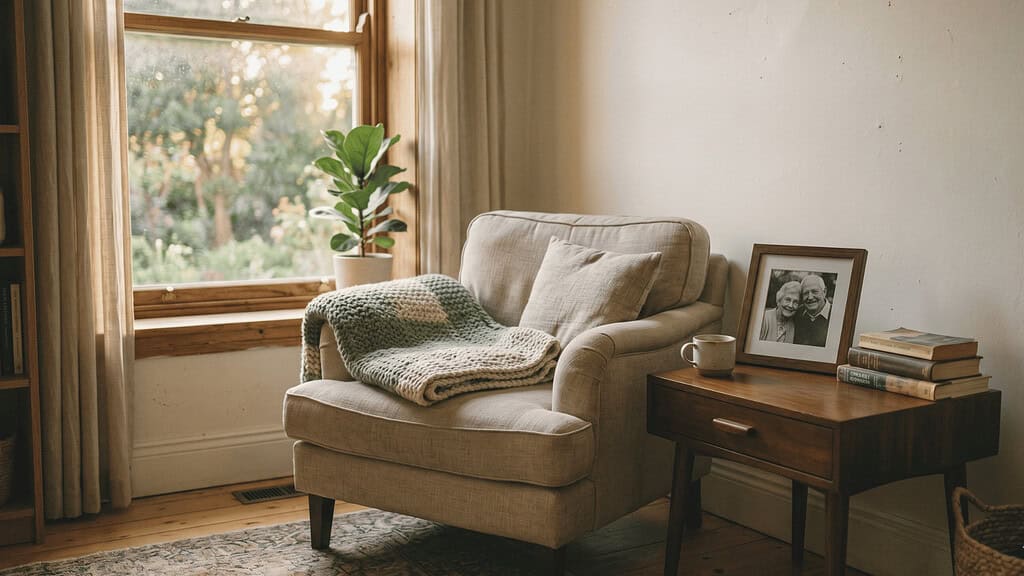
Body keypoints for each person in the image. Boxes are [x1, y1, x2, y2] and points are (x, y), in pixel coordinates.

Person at [793, 275, 831, 347]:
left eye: (814, 291)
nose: (810, 297)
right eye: (806, 293)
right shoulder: (796, 314)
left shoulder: (838, 316)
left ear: (824, 292)